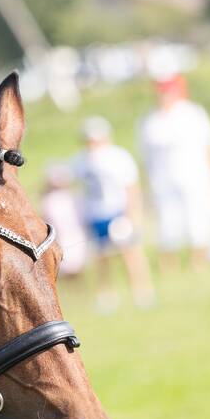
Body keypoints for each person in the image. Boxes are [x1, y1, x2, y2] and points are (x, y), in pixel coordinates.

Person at [71, 117, 155, 311]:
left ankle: (142, 292)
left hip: (117, 212)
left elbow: (131, 187)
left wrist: (132, 214)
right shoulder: (80, 160)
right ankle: (106, 295)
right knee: (102, 257)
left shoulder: (118, 157)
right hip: (95, 214)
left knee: (130, 254)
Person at [137, 74, 210, 273]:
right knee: (167, 222)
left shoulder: (192, 113)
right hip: (162, 179)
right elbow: (145, 155)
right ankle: (168, 264)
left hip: (193, 175)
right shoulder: (149, 120)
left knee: (197, 219)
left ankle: (199, 261)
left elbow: (208, 146)